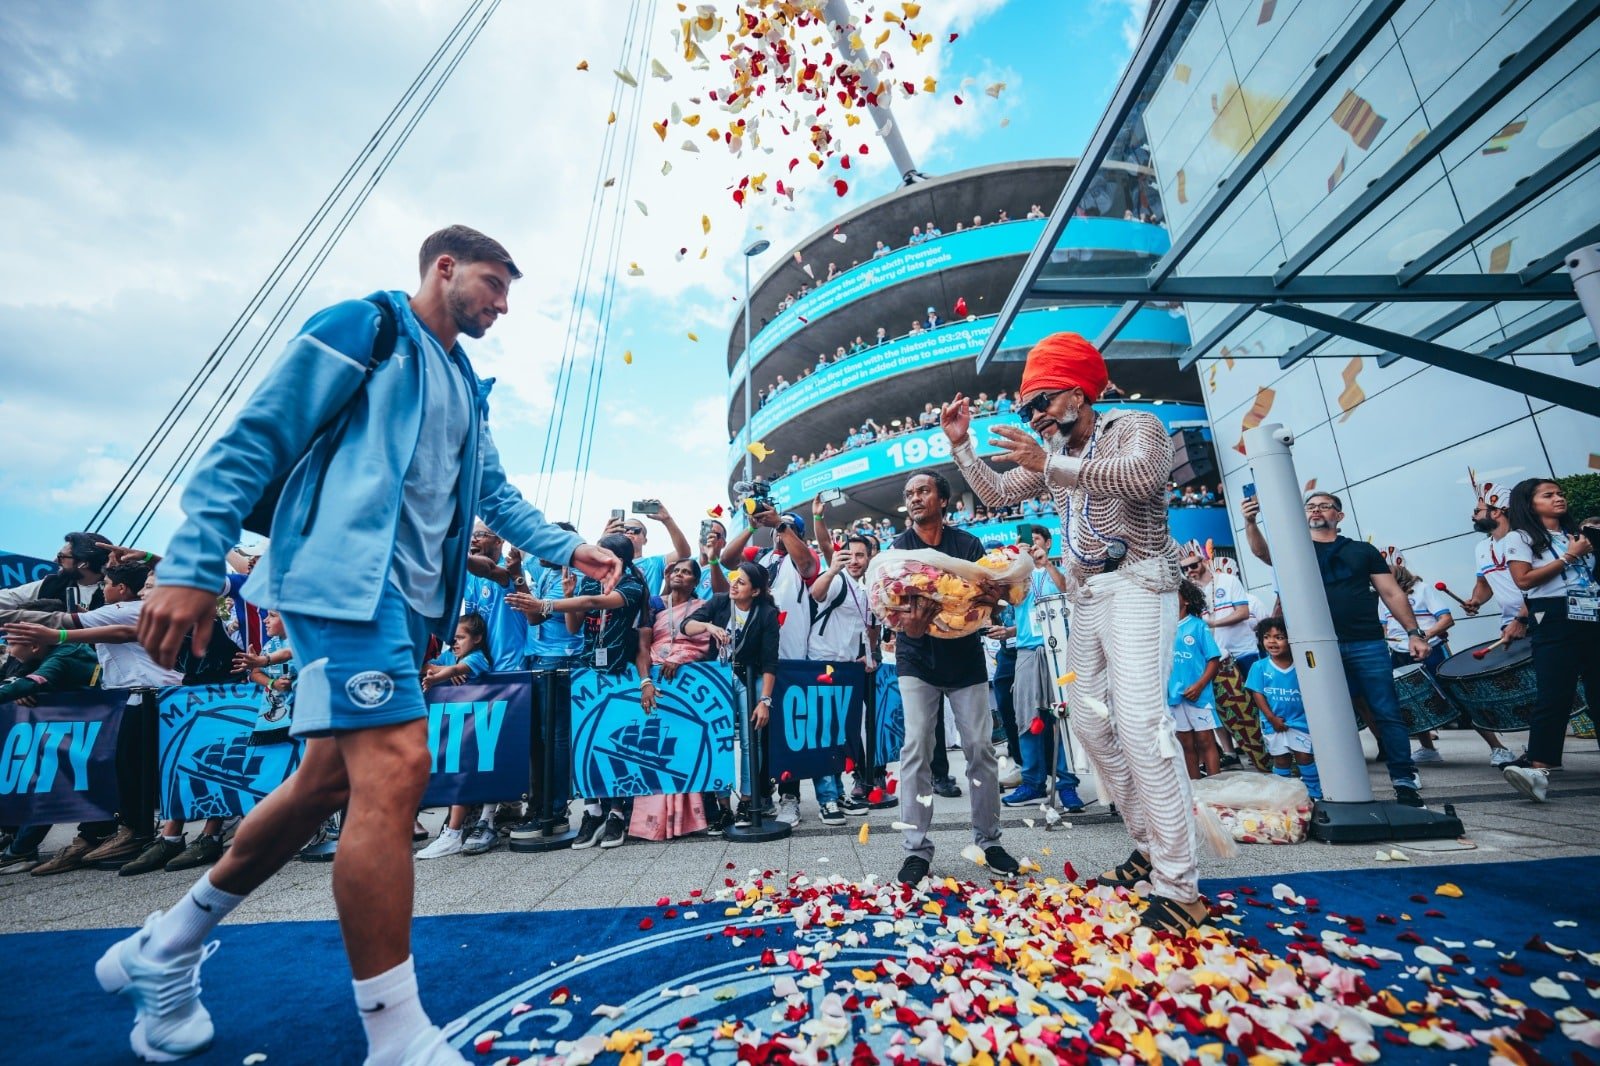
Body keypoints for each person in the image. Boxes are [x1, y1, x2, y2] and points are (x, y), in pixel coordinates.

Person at [113, 226, 618, 1066]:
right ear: (444, 268)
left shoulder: (464, 380)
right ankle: (396, 1034)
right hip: (344, 584)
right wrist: (194, 558)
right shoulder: (367, 326)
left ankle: (164, 946)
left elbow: (494, 493)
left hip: (413, 607)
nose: (501, 304)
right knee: (397, 767)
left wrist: (570, 549)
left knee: (324, 784)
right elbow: (256, 436)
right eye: (493, 284)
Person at [945, 331, 1206, 933]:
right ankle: (1149, 846)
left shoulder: (1134, 426)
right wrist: (962, 448)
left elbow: (1142, 477)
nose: (1034, 416)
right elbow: (996, 492)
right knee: (1090, 723)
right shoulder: (1051, 452)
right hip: (1087, 594)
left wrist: (1052, 464)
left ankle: (1182, 885)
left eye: (1042, 402)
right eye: (1025, 408)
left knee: (1141, 722)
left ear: (1079, 393)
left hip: (1140, 581)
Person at [1242, 490, 1426, 808]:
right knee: (1321, 714)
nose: (1316, 510)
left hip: (1366, 642)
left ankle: (1404, 780)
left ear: (1338, 516)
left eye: (1325, 506)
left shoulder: (1362, 551)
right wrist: (1250, 521)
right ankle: (1327, 781)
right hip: (1317, 647)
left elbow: (1391, 592)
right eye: (1310, 506)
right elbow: (1263, 553)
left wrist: (1414, 632)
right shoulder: (1295, 549)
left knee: (1386, 711)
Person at [5, 561, 190, 876]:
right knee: (132, 772)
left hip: (147, 696)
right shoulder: (144, 611)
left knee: (139, 772)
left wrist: (51, 631)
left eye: (106, 582)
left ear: (120, 589)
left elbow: (65, 621)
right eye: (145, 584)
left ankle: (140, 835)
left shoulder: (127, 608)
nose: (102, 588)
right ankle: (128, 834)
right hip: (142, 696)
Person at [880, 472, 1021, 886]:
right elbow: (891, 611)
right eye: (909, 494)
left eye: (923, 491)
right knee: (916, 748)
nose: (915, 498)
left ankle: (990, 841)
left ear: (943, 499)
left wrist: (993, 599)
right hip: (916, 659)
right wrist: (910, 626)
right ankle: (916, 851)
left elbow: (985, 602)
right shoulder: (898, 550)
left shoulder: (968, 546)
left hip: (965, 660)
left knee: (980, 747)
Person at [538, 532, 651, 848]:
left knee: (617, 744)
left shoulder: (632, 585)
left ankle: (617, 812)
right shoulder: (586, 582)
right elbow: (575, 626)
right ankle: (592, 811)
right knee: (586, 741)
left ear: (617, 559)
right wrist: (568, 595)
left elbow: (594, 603)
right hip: (587, 672)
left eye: (602, 553)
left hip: (619, 673)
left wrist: (546, 604)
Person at [1500, 478, 1600, 802]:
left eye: (1559, 493)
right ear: (1530, 503)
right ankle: (1538, 770)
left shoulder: (1578, 535)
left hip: (1591, 611)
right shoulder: (1521, 536)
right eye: (1548, 495)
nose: (1558, 498)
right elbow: (1523, 580)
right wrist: (1569, 557)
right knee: (1555, 691)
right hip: (1553, 615)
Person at [0, 621, 105, 873]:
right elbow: (20, 683)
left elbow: (30, 683)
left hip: (98, 728)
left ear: (35, 646)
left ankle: (22, 850)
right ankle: (17, 840)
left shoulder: (64, 655)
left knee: (49, 777)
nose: (8, 649)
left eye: (12, 644)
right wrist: (22, 687)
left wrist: (27, 686)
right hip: (78, 726)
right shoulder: (40, 654)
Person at [681, 562, 781, 826]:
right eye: (734, 578)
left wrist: (765, 701)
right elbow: (686, 626)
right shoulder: (719, 602)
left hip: (751, 677)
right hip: (719, 675)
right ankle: (723, 804)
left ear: (756, 591)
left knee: (752, 741)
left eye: (742, 582)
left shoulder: (767, 613)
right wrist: (708, 627)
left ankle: (748, 801)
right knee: (719, 739)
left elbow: (771, 662)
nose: (734, 584)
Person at [1000, 526, 1083, 811]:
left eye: (1036, 542)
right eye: (1027, 543)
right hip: (1026, 651)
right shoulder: (1019, 576)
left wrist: (1045, 563)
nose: (1031, 547)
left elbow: (1067, 592)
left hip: (1059, 650)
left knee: (1063, 716)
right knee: (1027, 718)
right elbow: (1010, 600)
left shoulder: (1057, 570)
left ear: (1047, 543)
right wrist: (1015, 563)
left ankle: (1067, 784)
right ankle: (1032, 782)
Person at [807, 532, 878, 818]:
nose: (856, 560)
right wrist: (834, 568)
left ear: (869, 557)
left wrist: (869, 656)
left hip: (847, 668)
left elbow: (867, 629)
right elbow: (817, 593)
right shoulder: (838, 580)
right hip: (823, 664)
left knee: (838, 735)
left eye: (861, 555)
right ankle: (827, 800)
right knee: (824, 735)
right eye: (851, 554)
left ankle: (838, 793)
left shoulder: (864, 589)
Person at [415, 615, 495, 860]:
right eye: (453, 639)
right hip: (449, 729)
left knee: (461, 774)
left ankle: (453, 833)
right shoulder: (450, 656)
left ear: (478, 638)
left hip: (477, 731)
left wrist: (442, 675)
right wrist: (443, 671)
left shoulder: (478, 657)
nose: (455, 642)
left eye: (461, 637)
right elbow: (425, 665)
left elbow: (461, 669)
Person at [1179, 547, 1266, 772]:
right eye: (1185, 568)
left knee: (1254, 703)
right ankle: (1230, 752)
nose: (1190, 571)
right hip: (1212, 658)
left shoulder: (1227, 581)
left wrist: (1213, 624)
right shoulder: (1188, 591)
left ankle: (1268, 751)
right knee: (1219, 707)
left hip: (1242, 652)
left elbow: (1243, 612)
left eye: (1194, 565)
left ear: (1204, 561)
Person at [1245, 618, 1320, 799]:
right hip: (1273, 723)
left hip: (1300, 722)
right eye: (1267, 637)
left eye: (1279, 637)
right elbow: (1258, 694)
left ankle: (1315, 794)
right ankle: (1283, 796)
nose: (1272, 642)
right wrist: (1271, 718)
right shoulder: (1259, 666)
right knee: (1281, 759)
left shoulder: (1301, 665)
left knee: (1305, 757)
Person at [1462, 474, 1531, 649]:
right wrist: (1476, 599)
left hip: (1538, 616)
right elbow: (1483, 584)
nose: (1473, 515)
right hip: (1509, 624)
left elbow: (1539, 585)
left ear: (1496, 511)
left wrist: (1521, 618)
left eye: (1477, 511)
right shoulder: (1481, 548)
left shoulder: (1526, 538)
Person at [1168, 579, 1223, 780]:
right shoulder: (1162, 628)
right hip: (1174, 697)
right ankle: (1196, 789)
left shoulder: (1197, 626)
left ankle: (1215, 787)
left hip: (1198, 696)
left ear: (1187, 600)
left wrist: (1200, 685)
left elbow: (1214, 660)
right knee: (1185, 744)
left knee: (1205, 741)